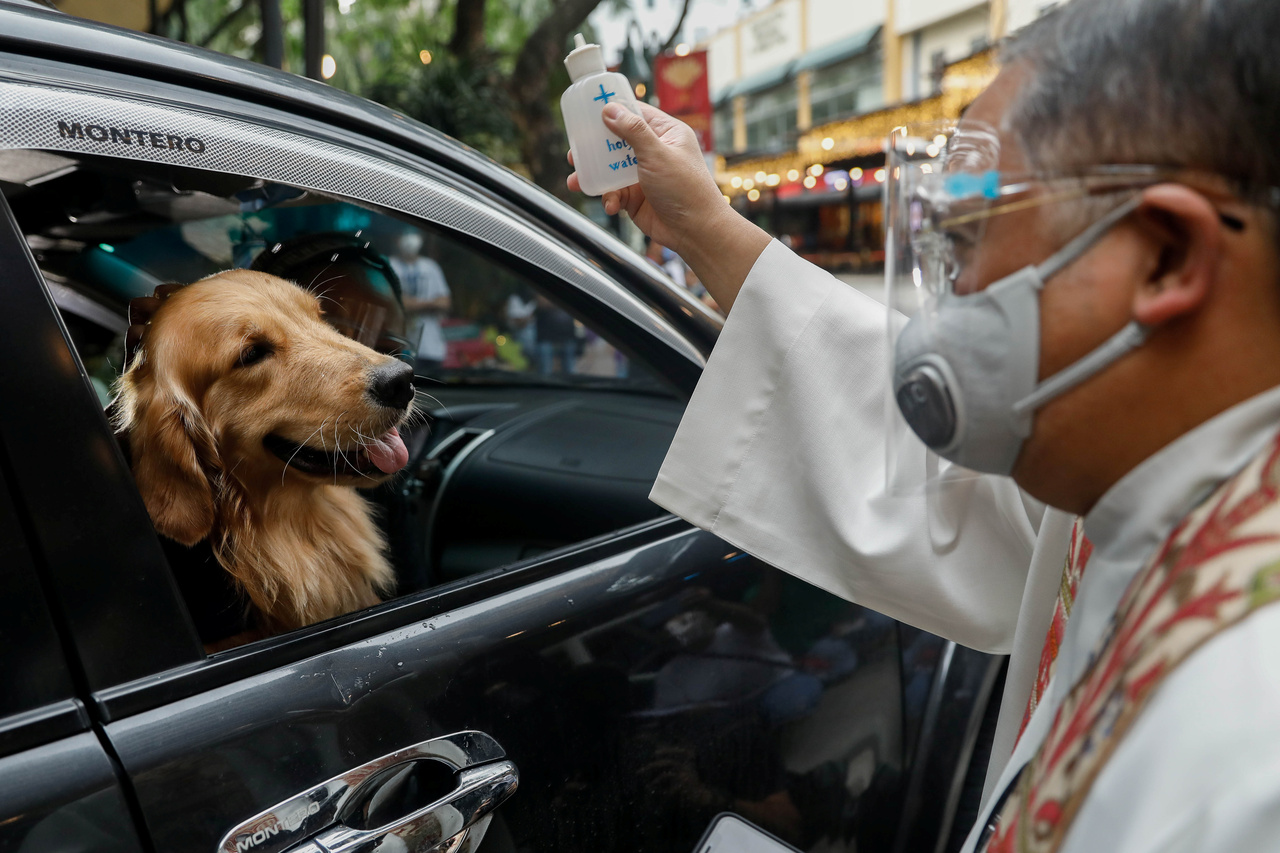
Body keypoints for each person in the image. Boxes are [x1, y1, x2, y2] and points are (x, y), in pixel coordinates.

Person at [569, 1, 1280, 850]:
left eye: (973, 236)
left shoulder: (1243, 753)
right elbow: (964, 495)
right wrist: (705, 229)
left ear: (1165, 253)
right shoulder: (1152, 483)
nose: (951, 298)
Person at [389, 230, 451, 377]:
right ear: (396, 240)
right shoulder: (391, 264)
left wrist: (411, 304)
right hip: (400, 349)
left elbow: (445, 302)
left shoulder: (431, 267)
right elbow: (395, 303)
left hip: (432, 350)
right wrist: (431, 303)